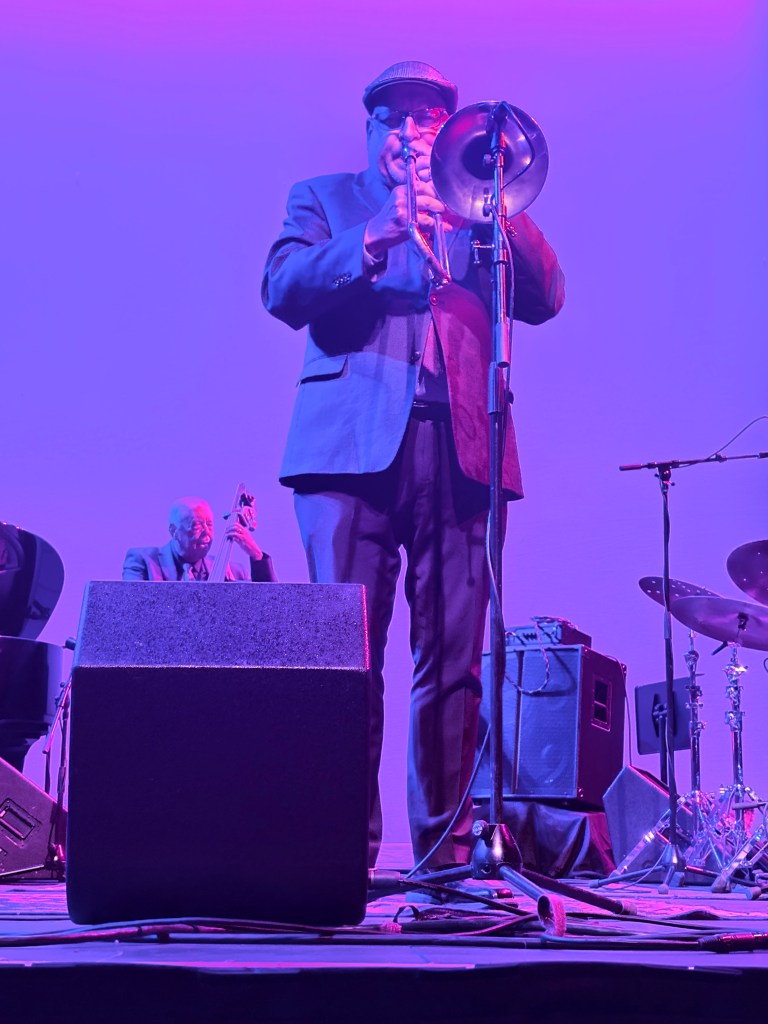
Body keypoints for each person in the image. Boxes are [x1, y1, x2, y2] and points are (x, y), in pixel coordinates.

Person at [262, 61, 564, 871]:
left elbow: (546, 295)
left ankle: (445, 859)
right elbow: (281, 287)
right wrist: (373, 236)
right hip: (344, 457)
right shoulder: (324, 198)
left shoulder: (479, 208)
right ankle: (338, 856)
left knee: (453, 666)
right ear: (370, 132)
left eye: (426, 120)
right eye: (392, 120)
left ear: (448, 134)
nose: (407, 133)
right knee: (345, 661)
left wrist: (494, 196)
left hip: (460, 450)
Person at [122, 496, 276, 582]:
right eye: (196, 526)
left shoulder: (232, 571)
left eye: (210, 524)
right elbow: (133, 607)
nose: (206, 533)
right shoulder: (143, 561)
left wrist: (256, 555)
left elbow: (269, 605)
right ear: (174, 531)